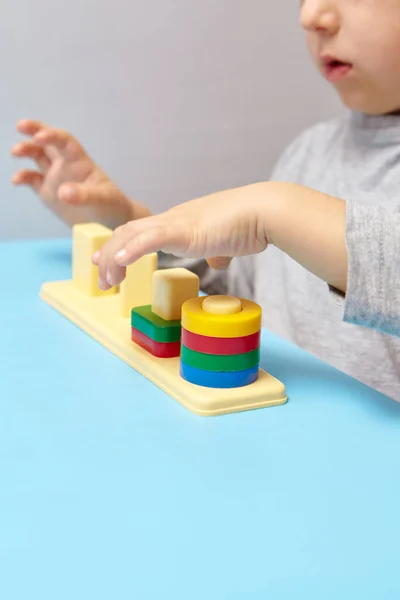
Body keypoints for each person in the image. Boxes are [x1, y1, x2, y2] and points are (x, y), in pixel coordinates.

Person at [11, 0, 400, 400]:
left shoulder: (283, 199)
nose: (311, 16)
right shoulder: (311, 151)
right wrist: (128, 227)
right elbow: (237, 292)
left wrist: (276, 208)